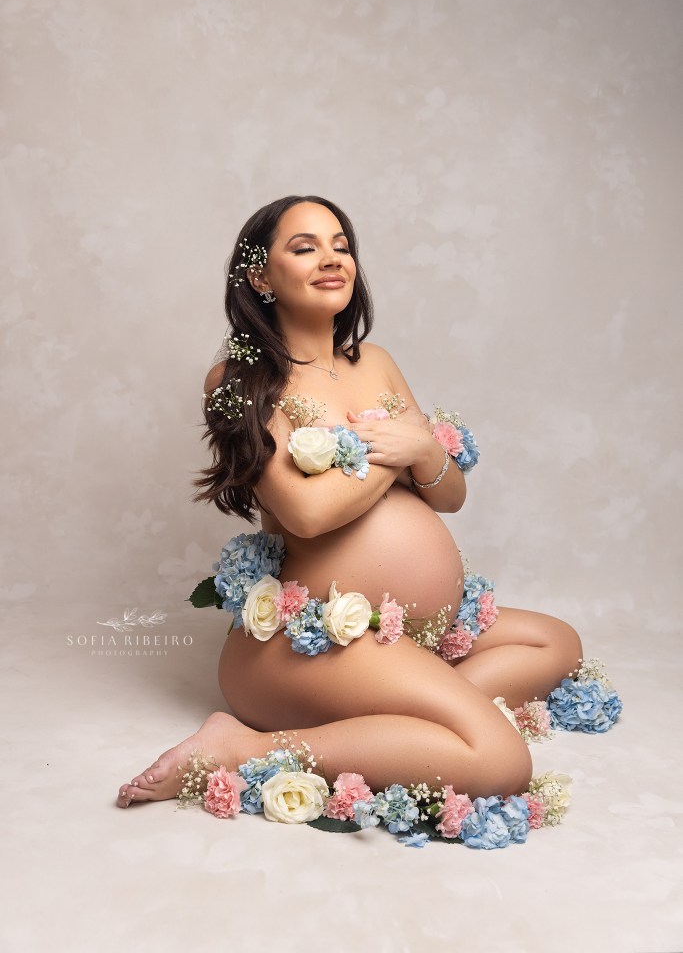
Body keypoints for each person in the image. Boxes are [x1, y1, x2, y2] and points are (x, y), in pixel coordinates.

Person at [116, 195, 582, 809]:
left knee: (559, 642)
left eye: (340, 245)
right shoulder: (240, 380)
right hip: (309, 644)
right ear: (259, 275)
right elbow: (307, 514)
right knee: (498, 759)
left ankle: (416, 715)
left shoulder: (377, 364)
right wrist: (395, 454)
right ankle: (241, 747)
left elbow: (450, 495)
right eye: (304, 247)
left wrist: (422, 449)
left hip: (409, 631)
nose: (331, 259)